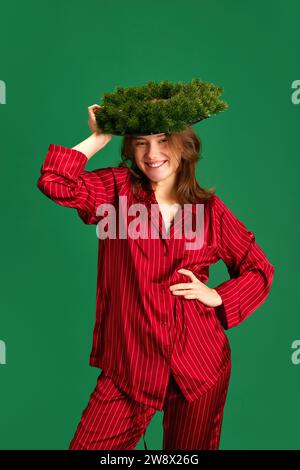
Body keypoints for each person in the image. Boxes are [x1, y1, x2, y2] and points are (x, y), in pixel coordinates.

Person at [36, 104, 275, 450]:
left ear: (185, 146)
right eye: (141, 142)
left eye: (163, 140)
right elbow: (55, 181)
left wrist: (219, 296)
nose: (153, 153)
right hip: (129, 366)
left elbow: (259, 268)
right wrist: (99, 136)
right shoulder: (115, 192)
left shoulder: (208, 211)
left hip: (198, 364)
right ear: (130, 148)